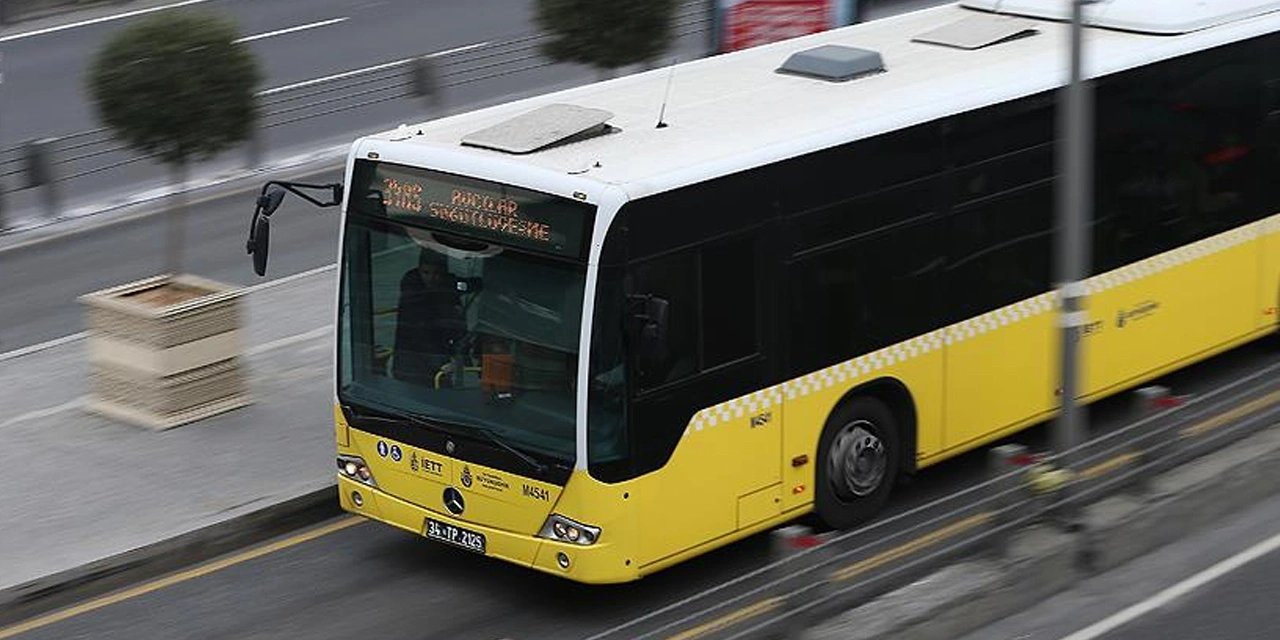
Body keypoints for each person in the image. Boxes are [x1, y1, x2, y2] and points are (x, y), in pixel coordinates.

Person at [392, 248, 465, 386]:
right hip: (413, 365)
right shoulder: (413, 289)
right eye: (425, 273)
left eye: (436, 274)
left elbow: (460, 285)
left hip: (437, 358)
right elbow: (419, 333)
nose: (430, 278)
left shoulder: (446, 284)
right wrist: (441, 361)